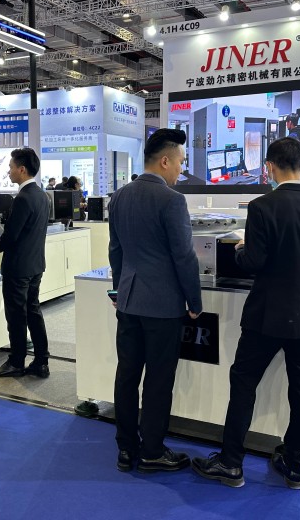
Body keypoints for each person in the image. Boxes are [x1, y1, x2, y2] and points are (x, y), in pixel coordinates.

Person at [191, 137, 300, 490]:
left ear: (270, 167)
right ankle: (295, 465)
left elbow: (253, 262)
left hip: (266, 313)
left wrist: (242, 249)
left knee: (244, 384)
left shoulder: (263, 206)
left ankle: (231, 463)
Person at [108, 128, 202, 474]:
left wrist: (119, 291)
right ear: (164, 161)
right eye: (180, 162)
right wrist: (194, 300)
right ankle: (152, 451)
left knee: (127, 376)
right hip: (163, 306)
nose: (180, 169)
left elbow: (116, 251)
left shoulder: (119, 197)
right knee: (159, 381)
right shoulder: (172, 200)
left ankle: (125, 448)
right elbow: (184, 257)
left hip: (129, 302)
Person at [0, 148, 51, 379]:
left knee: (16, 316)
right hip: (35, 265)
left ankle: (16, 362)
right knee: (33, 312)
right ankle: (41, 361)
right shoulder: (42, 195)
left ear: (22, 169)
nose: (9, 171)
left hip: (18, 268)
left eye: (11, 167)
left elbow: (12, 233)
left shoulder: (23, 198)